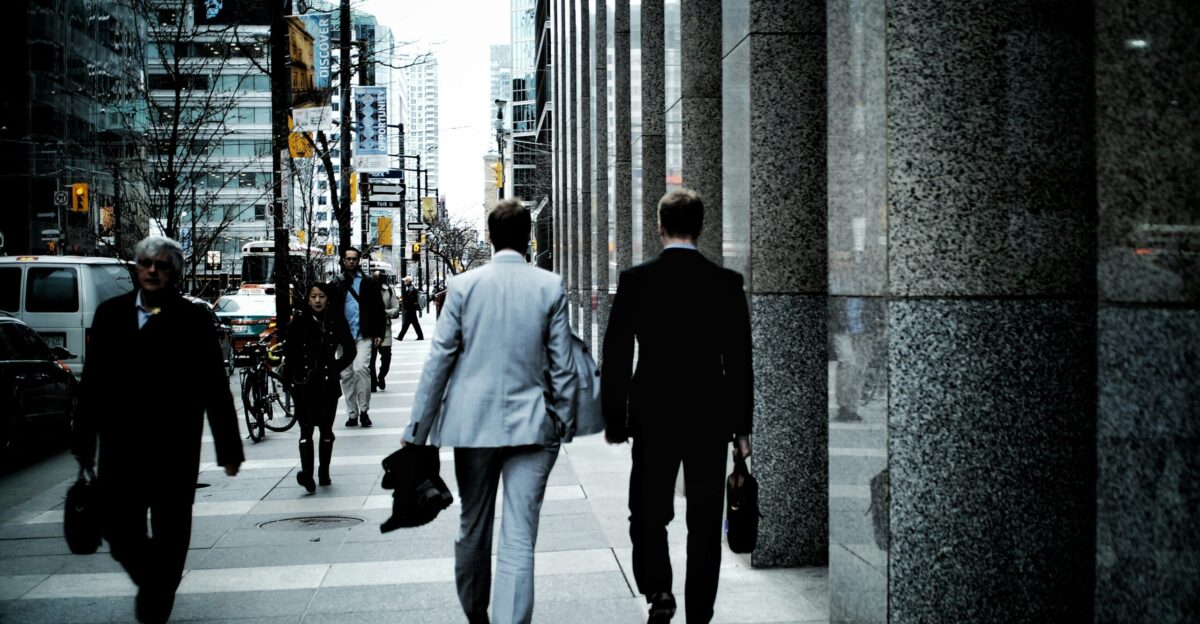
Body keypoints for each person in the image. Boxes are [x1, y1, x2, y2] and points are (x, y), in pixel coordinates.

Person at [402, 199, 576, 624]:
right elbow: (563, 364)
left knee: (473, 525)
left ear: (492, 237)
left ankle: (476, 614)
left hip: (473, 426)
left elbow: (439, 361)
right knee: (519, 535)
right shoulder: (549, 286)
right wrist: (565, 419)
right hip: (535, 428)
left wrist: (416, 432)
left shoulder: (462, 287)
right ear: (528, 239)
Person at [71, 236, 244, 624]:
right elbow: (93, 383)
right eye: (146, 263)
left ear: (176, 273)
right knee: (120, 535)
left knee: (172, 534)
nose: (152, 270)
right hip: (121, 450)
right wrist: (83, 440)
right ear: (136, 268)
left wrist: (229, 449)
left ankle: (155, 598)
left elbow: (215, 387)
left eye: (162, 265)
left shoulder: (194, 319)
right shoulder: (110, 315)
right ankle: (156, 583)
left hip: (175, 451)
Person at [601, 189, 752, 624]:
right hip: (709, 415)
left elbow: (615, 354)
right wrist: (742, 429)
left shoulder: (636, 280)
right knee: (705, 519)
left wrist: (615, 417)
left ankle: (659, 588)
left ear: (660, 226)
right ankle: (699, 614)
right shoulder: (726, 283)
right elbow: (740, 362)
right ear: (701, 227)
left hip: (653, 411)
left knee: (648, 509)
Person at [283, 283, 356, 492]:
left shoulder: (335, 321)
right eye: (313, 296)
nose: (317, 300)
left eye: (321, 296)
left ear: (327, 299)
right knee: (305, 430)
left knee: (326, 430)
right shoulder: (298, 322)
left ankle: (324, 472)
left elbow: (350, 349)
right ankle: (307, 474)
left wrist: (336, 367)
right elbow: (291, 353)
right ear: (308, 299)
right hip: (303, 383)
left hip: (327, 383)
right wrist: (289, 380)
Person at [330, 247, 385, 427]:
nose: (352, 261)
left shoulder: (369, 282)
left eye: (354, 258)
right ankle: (352, 413)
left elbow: (378, 309)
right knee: (346, 374)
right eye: (348, 258)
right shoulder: (336, 283)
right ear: (343, 261)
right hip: (343, 336)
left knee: (361, 369)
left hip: (364, 334)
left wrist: (379, 333)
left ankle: (364, 411)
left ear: (359, 260)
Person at [371, 270, 401, 391]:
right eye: (375, 277)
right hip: (370, 329)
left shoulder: (389, 290)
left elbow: (396, 308)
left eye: (379, 277)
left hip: (385, 328)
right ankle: (373, 383)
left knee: (386, 358)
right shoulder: (368, 290)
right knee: (370, 359)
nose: (376, 280)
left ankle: (381, 376)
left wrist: (385, 313)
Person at [396, 275, 425, 340]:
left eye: (405, 281)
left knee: (408, 324)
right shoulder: (410, 289)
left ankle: (400, 337)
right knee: (413, 324)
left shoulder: (412, 290)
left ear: (408, 282)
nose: (404, 283)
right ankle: (420, 336)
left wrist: (408, 306)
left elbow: (411, 300)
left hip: (411, 310)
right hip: (411, 309)